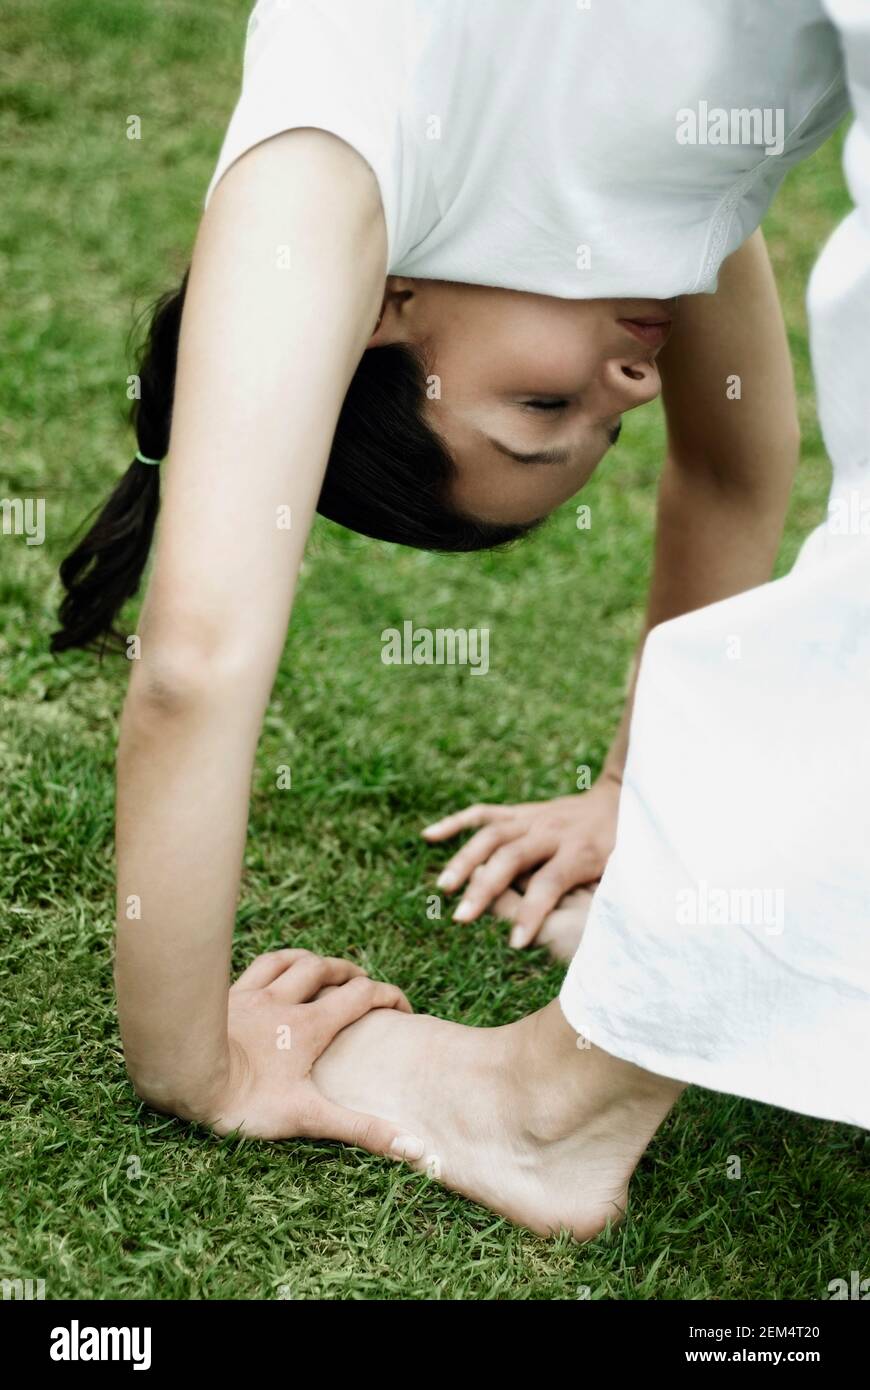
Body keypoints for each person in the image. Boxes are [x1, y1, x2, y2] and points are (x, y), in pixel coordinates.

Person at [50, 1, 865, 1223]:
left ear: (384, 306)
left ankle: (553, 1115)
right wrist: (637, 799)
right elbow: (735, 465)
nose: (633, 383)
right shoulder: (608, 223)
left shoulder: (322, 159)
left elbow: (195, 663)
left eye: (538, 406)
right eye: (588, 427)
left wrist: (191, 1065)